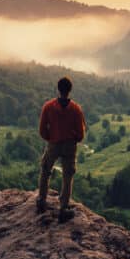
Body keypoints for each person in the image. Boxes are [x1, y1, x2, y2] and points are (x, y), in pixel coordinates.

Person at [37, 76, 86, 222]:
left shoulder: (48, 106)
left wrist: (50, 138)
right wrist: (74, 140)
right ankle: (64, 207)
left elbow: (41, 129)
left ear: (58, 89)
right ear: (70, 90)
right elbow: (81, 132)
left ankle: (41, 200)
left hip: (53, 143)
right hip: (69, 145)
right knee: (68, 175)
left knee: (45, 170)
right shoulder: (76, 109)